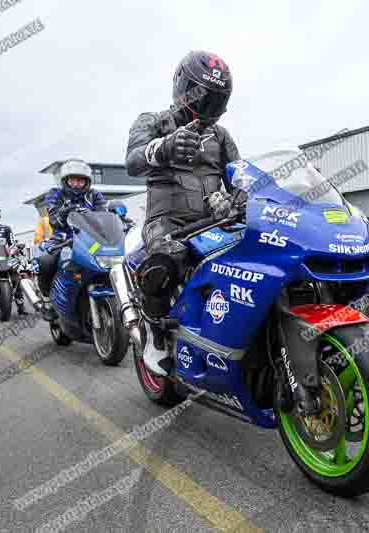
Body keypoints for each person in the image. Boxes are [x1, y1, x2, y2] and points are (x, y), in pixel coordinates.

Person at [125, 50, 241, 376]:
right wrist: (162, 147)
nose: (208, 111)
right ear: (183, 88)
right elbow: (133, 161)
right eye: (203, 99)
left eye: (216, 103)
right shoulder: (153, 121)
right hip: (167, 222)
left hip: (215, 219)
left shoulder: (220, 136)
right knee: (167, 258)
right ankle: (156, 334)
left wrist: (241, 199)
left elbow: (239, 173)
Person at [37, 159, 108, 319]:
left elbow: (104, 215)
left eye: (80, 180)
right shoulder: (55, 194)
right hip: (63, 239)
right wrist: (63, 212)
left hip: (91, 240)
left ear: (86, 181)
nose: (76, 183)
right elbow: (53, 218)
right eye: (73, 179)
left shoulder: (94, 195)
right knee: (46, 261)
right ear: (66, 181)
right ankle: (47, 301)